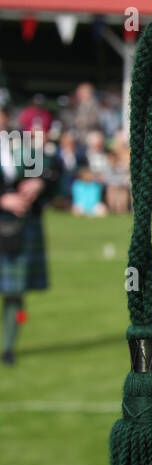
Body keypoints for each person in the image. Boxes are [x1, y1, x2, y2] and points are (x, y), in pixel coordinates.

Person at [0, 107, 58, 364]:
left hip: (21, 226)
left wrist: (39, 183)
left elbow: (50, 172)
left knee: (14, 291)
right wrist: (2, 199)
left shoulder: (21, 144)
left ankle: (9, 349)